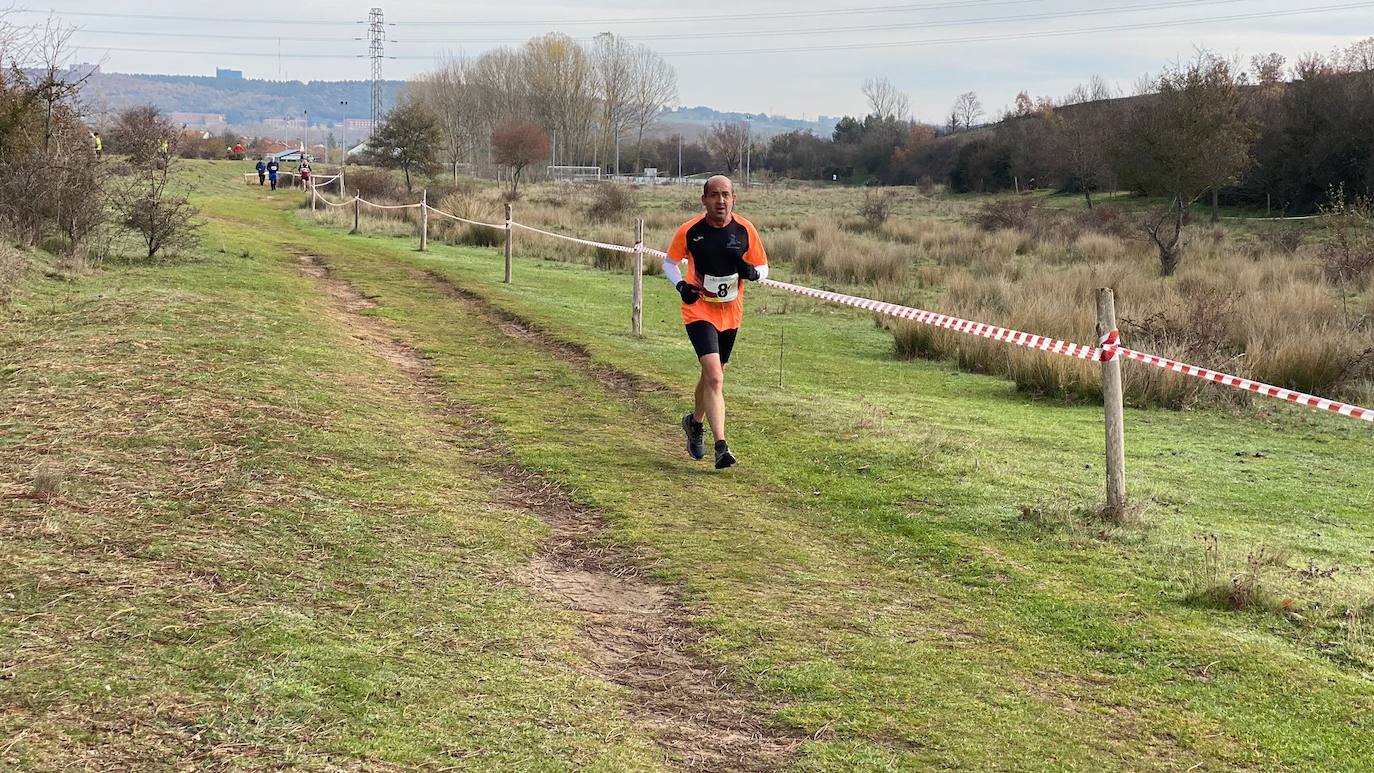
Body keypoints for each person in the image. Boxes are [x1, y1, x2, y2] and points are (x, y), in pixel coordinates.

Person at [662, 175, 768, 469]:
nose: (720, 201)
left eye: (726, 195)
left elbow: (763, 267)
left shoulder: (745, 230)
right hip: (699, 310)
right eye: (715, 195)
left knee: (712, 375)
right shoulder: (691, 231)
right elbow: (668, 263)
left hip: (730, 312)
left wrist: (753, 273)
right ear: (704, 200)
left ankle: (694, 422)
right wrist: (681, 286)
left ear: (734, 199)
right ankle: (721, 446)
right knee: (716, 377)